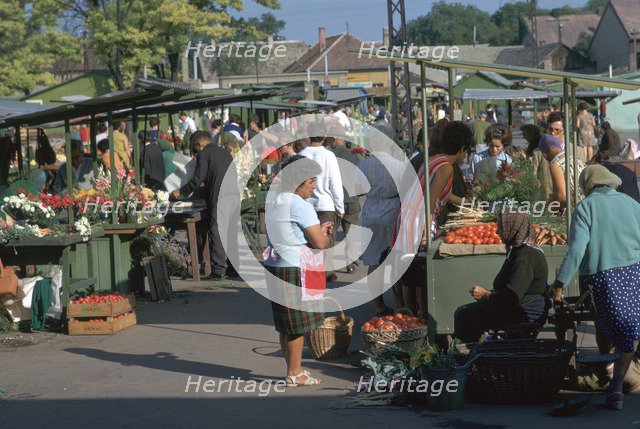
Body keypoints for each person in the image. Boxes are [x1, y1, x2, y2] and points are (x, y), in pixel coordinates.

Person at [552, 165, 640, 410]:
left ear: (587, 185)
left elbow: (577, 250)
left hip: (601, 276)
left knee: (604, 322)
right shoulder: (632, 204)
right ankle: (617, 380)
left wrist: (560, 282)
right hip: (633, 271)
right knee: (627, 327)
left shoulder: (585, 207)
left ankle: (613, 378)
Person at [263, 154, 332, 387]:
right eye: (311, 181)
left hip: (275, 264)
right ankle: (294, 372)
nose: (314, 187)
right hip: (294, 266)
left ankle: (292, 369)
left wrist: (316, 230)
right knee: (297, 325)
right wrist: (324, 234)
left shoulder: (275, 199)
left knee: (286, 323)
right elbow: (320, 244)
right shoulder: (299, 205)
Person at [394, 121, 473, 315]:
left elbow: (440, 196)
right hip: (418, 219)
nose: (467, 155)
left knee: (414, 272)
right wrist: (425, 232)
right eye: (467, 151)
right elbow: (430, 201)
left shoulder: (434, 160)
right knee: (419, 271)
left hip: (409, 216)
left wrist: (467, 203)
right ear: (462, 149)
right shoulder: (446, 167)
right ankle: (417, 319)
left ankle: (415, 317)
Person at [455, 212, 549, 342]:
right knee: (467, 311)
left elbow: (510, 298)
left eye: (501, 228)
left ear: (512, 229)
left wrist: (485, 294)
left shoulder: (524, 257)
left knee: (464, 314)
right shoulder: (521, 250)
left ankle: (469, 356)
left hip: (523, 312)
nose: (498, 232)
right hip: (518, 306)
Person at [171, 131, 238, 279]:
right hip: (234, 195)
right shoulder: (223, 152)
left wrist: (180, 192)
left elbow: (197, 179)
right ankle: (233, 269)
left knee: (217, 231)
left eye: (195, 150)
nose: (195, 154)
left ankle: (218, 270)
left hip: (220, 197)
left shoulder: (205, 154)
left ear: (199, 145)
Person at [357, 123, 404, 315]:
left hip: (370, 211)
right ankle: (399, 303)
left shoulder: (363, 163)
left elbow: (357, 187)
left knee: (374, 262)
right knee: (394, 261)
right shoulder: (398, 165)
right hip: (391, 211)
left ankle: (378, 305)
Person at [299, 123, 344, 282]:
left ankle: (311, 270)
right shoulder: (329, 156)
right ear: (324, 137)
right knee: (327, 239)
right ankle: (327, 271)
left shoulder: (302, 154)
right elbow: (335, 183)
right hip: (326, 204)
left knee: (308, 240)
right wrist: (340, 206)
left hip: (305, 203)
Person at [327, 126, 361, 274]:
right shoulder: (353, 156)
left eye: (328, 140)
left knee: (330, 235)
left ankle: (329, 268)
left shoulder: (329, 156)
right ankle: (351, 263)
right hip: (352, 200)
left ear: (333, 139)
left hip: (334, 201)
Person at [539, 134, 585, 205]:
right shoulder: (574, 158)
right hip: (586, 200)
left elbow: (563, 197)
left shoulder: (555, 164)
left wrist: (549, 208)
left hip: (577, 205)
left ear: (546, 152)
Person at [522, 124, 554, 201]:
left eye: (525, 134)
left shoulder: (537, 145)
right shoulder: (535, 143)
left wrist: (525, 157)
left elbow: (532, 162)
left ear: (531, 133)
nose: (523, 137)